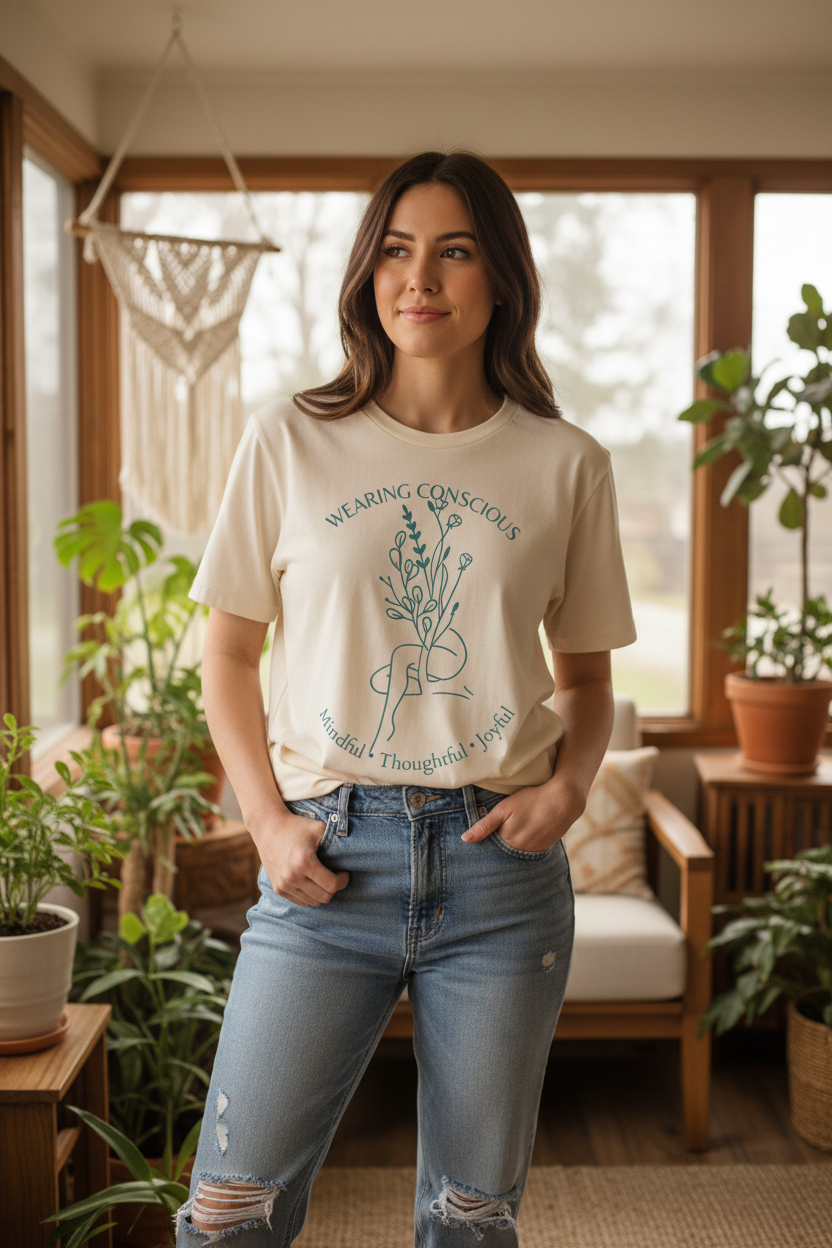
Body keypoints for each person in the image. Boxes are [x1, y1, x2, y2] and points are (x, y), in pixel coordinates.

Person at [175, 150, 636, 1246]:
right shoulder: (289, 439)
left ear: (501, 281)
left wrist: (569, 791)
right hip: (326, 862)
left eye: (453, 250)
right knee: (227, 1217)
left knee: (469, 1223)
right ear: (367, 274)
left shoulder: (566, 463)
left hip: (500, 877)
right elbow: (227, 657)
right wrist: (266, 823)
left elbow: (587, 680)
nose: (418, 277)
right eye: (395, 248)